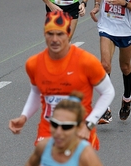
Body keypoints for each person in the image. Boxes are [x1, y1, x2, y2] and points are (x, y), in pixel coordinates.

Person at [8, 11, 115, 150]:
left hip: (79, 130)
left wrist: (89, 123)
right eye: (50, 33)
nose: (54, 39)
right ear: (44, 34)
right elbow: (36, 93)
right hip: (48, 130)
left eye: (60, 34)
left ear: (68, 34)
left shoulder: (87, 62)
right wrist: (24, 117)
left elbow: (108, 91)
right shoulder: (34, 64)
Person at [24, 91, 111, 166]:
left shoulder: (85, 155)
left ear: (78, 127)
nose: (58, 132)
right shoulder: (44, 146)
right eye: (54, 124)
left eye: (66, 126)